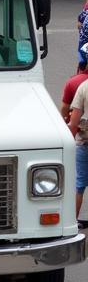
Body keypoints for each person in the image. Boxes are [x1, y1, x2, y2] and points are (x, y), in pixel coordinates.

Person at [67, 70, 88, 224]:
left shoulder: (84, 87)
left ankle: (72, 224)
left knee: (78, 185)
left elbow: (74, 123)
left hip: (84, 143)